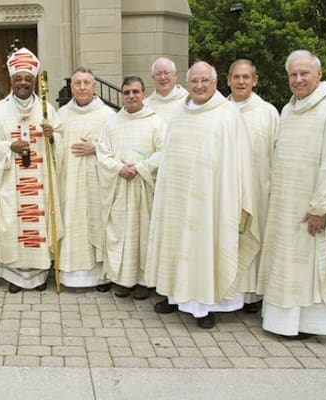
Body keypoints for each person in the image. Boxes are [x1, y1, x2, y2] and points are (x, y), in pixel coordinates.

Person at [146, 61, 259, 329]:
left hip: (212, 201)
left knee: (206, 247)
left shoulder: (227, 115)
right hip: (178, 198)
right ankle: (175, 296)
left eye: (204, 81)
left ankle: (206, 305)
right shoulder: (179, 114)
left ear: (215, 83)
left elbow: (238, 163)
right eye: (194, 81)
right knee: (177, 244)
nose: (198, 86)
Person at [257, 50, 326, 338]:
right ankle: (284, 322)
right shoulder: (288, 110)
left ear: (319, 74)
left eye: (304, 73)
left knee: (312, 268)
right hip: (286, 205)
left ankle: (312, 324)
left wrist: (321, 207)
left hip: (314, 211)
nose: (298, 79)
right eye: (293, 74)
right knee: (288, 264)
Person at [0, 47, 63, 293]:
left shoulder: (46, 109)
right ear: (11, 80)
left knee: (39, 223)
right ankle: (14, 278)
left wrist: (52, 137)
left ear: (35, 81)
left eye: (28, 78)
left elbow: (61, 141)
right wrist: (8, 146)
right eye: (19, 79)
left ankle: (39, 276)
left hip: (40, 183)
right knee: (12, 225)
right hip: (11, 182)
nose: (23, 83)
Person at [97, 76, 166, 299]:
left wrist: (140, 168)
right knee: (121, 233)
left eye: (135, 92)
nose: (131, 96)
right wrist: (119, 168)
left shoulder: (156, 122)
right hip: (120, 186)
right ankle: (125, 280)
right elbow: (102, 153)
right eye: (126, 92)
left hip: (144, 186)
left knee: (144, 234)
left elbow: (163, 152)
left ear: (144, 93)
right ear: (122, 95)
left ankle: (144, 281)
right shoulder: (112, 123)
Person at [226, 59, 279, 314]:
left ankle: (253, 296)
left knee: (253, 235)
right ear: (228, 80)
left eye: (246, 77)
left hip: (258, 189)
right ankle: (229, 293)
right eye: (236, 77)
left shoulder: (268, 112)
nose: (241, 82)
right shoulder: (219, 110)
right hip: (225, 192)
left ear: (255, 80)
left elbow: (277, 153)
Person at [57, 67, 115, 291]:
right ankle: (70, 275)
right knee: (73, 224)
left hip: (97, 182)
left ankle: (101, 277)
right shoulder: (61, 115)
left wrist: (96, 148)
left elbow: (117, 147)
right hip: (69, 182)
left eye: (86, 83)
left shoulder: (108, 115)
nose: (82, 87)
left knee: (97, 224)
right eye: (77, 83)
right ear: (71, 88)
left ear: (95, 86)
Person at [143, 57, 188, 123]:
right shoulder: (145, 105)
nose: (162, 77)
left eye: (166, 73)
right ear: (153, 78)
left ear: (175, 75)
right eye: (158, 74)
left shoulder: (188, 101)